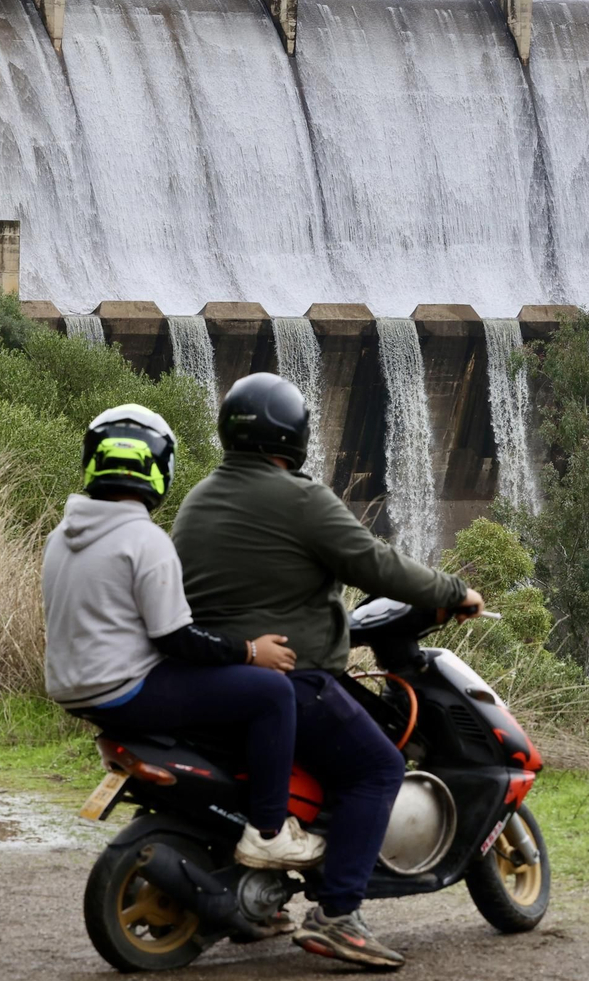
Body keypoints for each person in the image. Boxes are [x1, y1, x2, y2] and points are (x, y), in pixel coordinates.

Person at [171, 373, 484, 970]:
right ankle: (338, 915)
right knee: (377, 766)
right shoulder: (300, 498)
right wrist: (454, 589)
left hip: (215, 679)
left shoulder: (199, 497)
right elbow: (376, 564)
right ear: (293, 435)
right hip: (295, 678)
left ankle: (257, 904)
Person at [41, 403, 325, 878]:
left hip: (75, 688)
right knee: (272, 693)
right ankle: (270, 834)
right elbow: (176, 639)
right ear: (160, 469)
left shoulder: (62, 535)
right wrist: (251, 652)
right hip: (126, 690)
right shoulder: (144, 539)